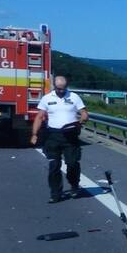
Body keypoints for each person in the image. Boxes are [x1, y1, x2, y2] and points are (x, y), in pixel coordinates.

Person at [30, 75, 88, 203]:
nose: (61, 91)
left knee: (72, 164)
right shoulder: (47, 98)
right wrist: (34, 134)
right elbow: (39, 117)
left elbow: (84, 112)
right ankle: (55, 193)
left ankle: (74, 184)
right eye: (58, 88)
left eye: (63, 88)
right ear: (54, 86)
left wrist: (83, 119)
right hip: (53, 135)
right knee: (54, 166)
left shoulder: (74, 97)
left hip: (70, 135)